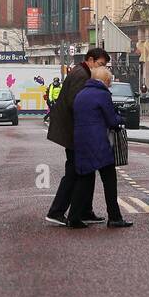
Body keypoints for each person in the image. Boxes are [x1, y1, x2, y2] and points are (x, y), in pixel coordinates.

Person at [45, 46, 110, 226]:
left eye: (104, 66)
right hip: (74, 133)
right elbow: (78, 105)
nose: (102, 69)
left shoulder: (82, 72)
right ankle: (56, 211)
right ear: (90, 60)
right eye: (100, 64)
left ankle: (84, 211)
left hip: (75, 131)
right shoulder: (82, 75)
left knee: (86, 172)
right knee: (74, 172)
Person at [68, 66, 133, 229]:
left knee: (84, 179)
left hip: (81, 141)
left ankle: (73, 217)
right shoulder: (102, 94)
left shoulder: (81, 94)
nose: (110, 84)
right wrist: (121, 117)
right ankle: (115, 217)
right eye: (110, 81)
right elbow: (111, 120)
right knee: (109, 180)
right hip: (99, 143)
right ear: (106, 81)